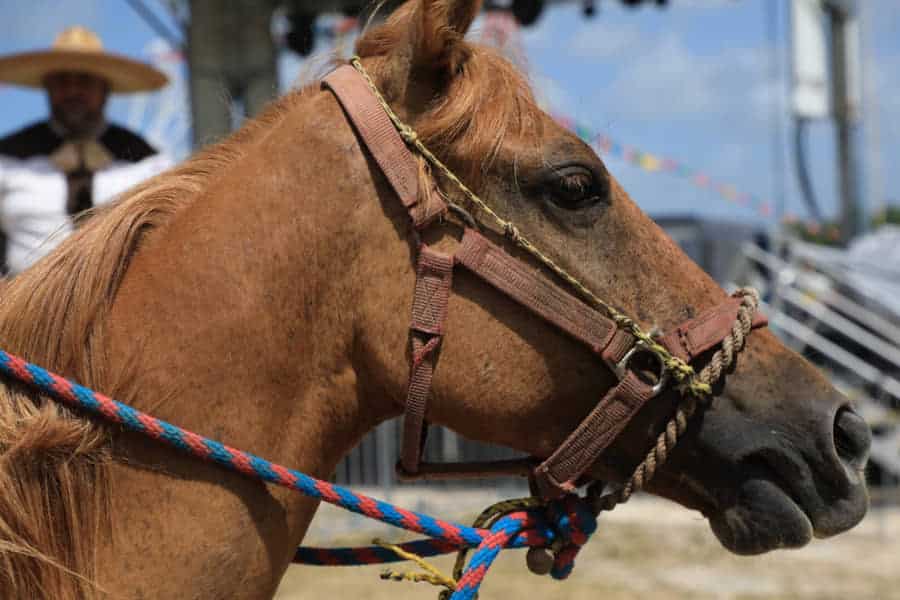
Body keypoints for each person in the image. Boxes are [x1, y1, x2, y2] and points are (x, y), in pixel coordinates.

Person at [0, 26, 173, 275]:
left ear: (105, 88)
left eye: (84, 81)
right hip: (22, 307)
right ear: (47, 87)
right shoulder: (7, 158)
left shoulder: (148, 162)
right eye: (62, 81)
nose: (72, 91)